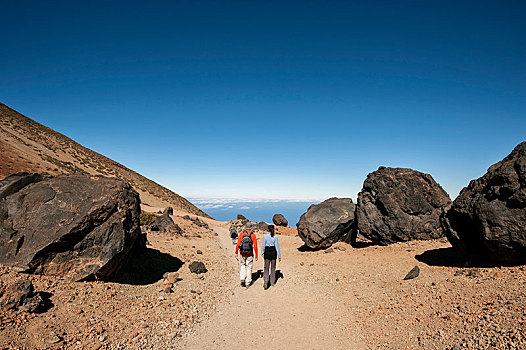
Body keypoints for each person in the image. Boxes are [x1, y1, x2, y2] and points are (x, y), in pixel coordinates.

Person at [235, 223, 258, 288]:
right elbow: (255, 246)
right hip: (250, 254)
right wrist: (256, 255)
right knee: (249, 267)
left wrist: (236, 252)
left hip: (242, 253)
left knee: (242, 265)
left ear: (245, 227)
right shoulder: (253, 235)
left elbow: (238, 244)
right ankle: (248, 282)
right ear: (251, 227)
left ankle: (242, 279)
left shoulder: (242, 234)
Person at [261, 224, 281, 290]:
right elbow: (277, 247)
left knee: (266, 267)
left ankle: (266, 280)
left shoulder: (265, 236)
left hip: (267, 251)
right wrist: (279, 256)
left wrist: (262, 252)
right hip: (273, 252)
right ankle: (272, 282)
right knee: (273, 268)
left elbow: (263, 245)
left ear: (268, 229)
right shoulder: (275, 237)